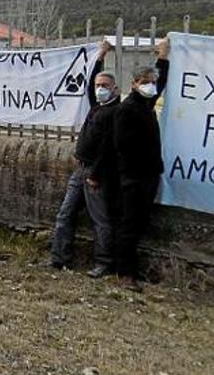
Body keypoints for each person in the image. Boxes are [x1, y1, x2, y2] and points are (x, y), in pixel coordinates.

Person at [49, 40, 120, 278]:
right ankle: (59, 258)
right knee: (65, 214)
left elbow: (109, 148)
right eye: (99, 85)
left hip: (95, 173)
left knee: (100, 219)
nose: (100, 88)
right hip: (80, 169)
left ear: (115, 89)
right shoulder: (97, 106)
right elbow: (90, 83)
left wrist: (96, 175)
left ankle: (103, 263)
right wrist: (100, 56)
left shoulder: (114, 112)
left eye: (105, 86)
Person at [112, 37, 171, 291]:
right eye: (144, 82)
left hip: (147, 176)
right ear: (133, 84)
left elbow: (163, 82)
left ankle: (129, 269)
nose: (150, 86)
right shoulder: (127, 109)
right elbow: (122, 146)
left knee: (139, 223)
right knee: (130, 223)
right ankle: (124, 273)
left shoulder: (145, 104)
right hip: (134, 178)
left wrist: (164, 57)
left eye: (151, 82)